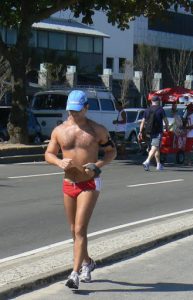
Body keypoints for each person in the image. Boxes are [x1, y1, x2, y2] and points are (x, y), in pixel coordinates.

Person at [45, 90, 117, 290]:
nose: (73, 114)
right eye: (70, 111)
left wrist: (98, 165)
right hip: (69, 183)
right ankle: (88, 263)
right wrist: (59, 162)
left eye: (77, 111)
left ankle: (74, 274)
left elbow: (112, 152)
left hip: (90, 183)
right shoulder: (59, 130)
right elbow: (49, 154)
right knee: (73, 230)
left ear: (86, 108)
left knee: (79, 229)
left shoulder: (97, 130)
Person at [138, 95, 169, 171]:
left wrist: (140, 132)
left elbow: (142, 122)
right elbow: (165, 120)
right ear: (158, 101)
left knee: (156, 148)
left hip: (148, 132)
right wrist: (167, 127)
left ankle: (158, 165)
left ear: (151, 101)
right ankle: (147, 161)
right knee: (154, 147)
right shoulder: (160, 110)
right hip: (157, 132)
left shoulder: (147, 110)